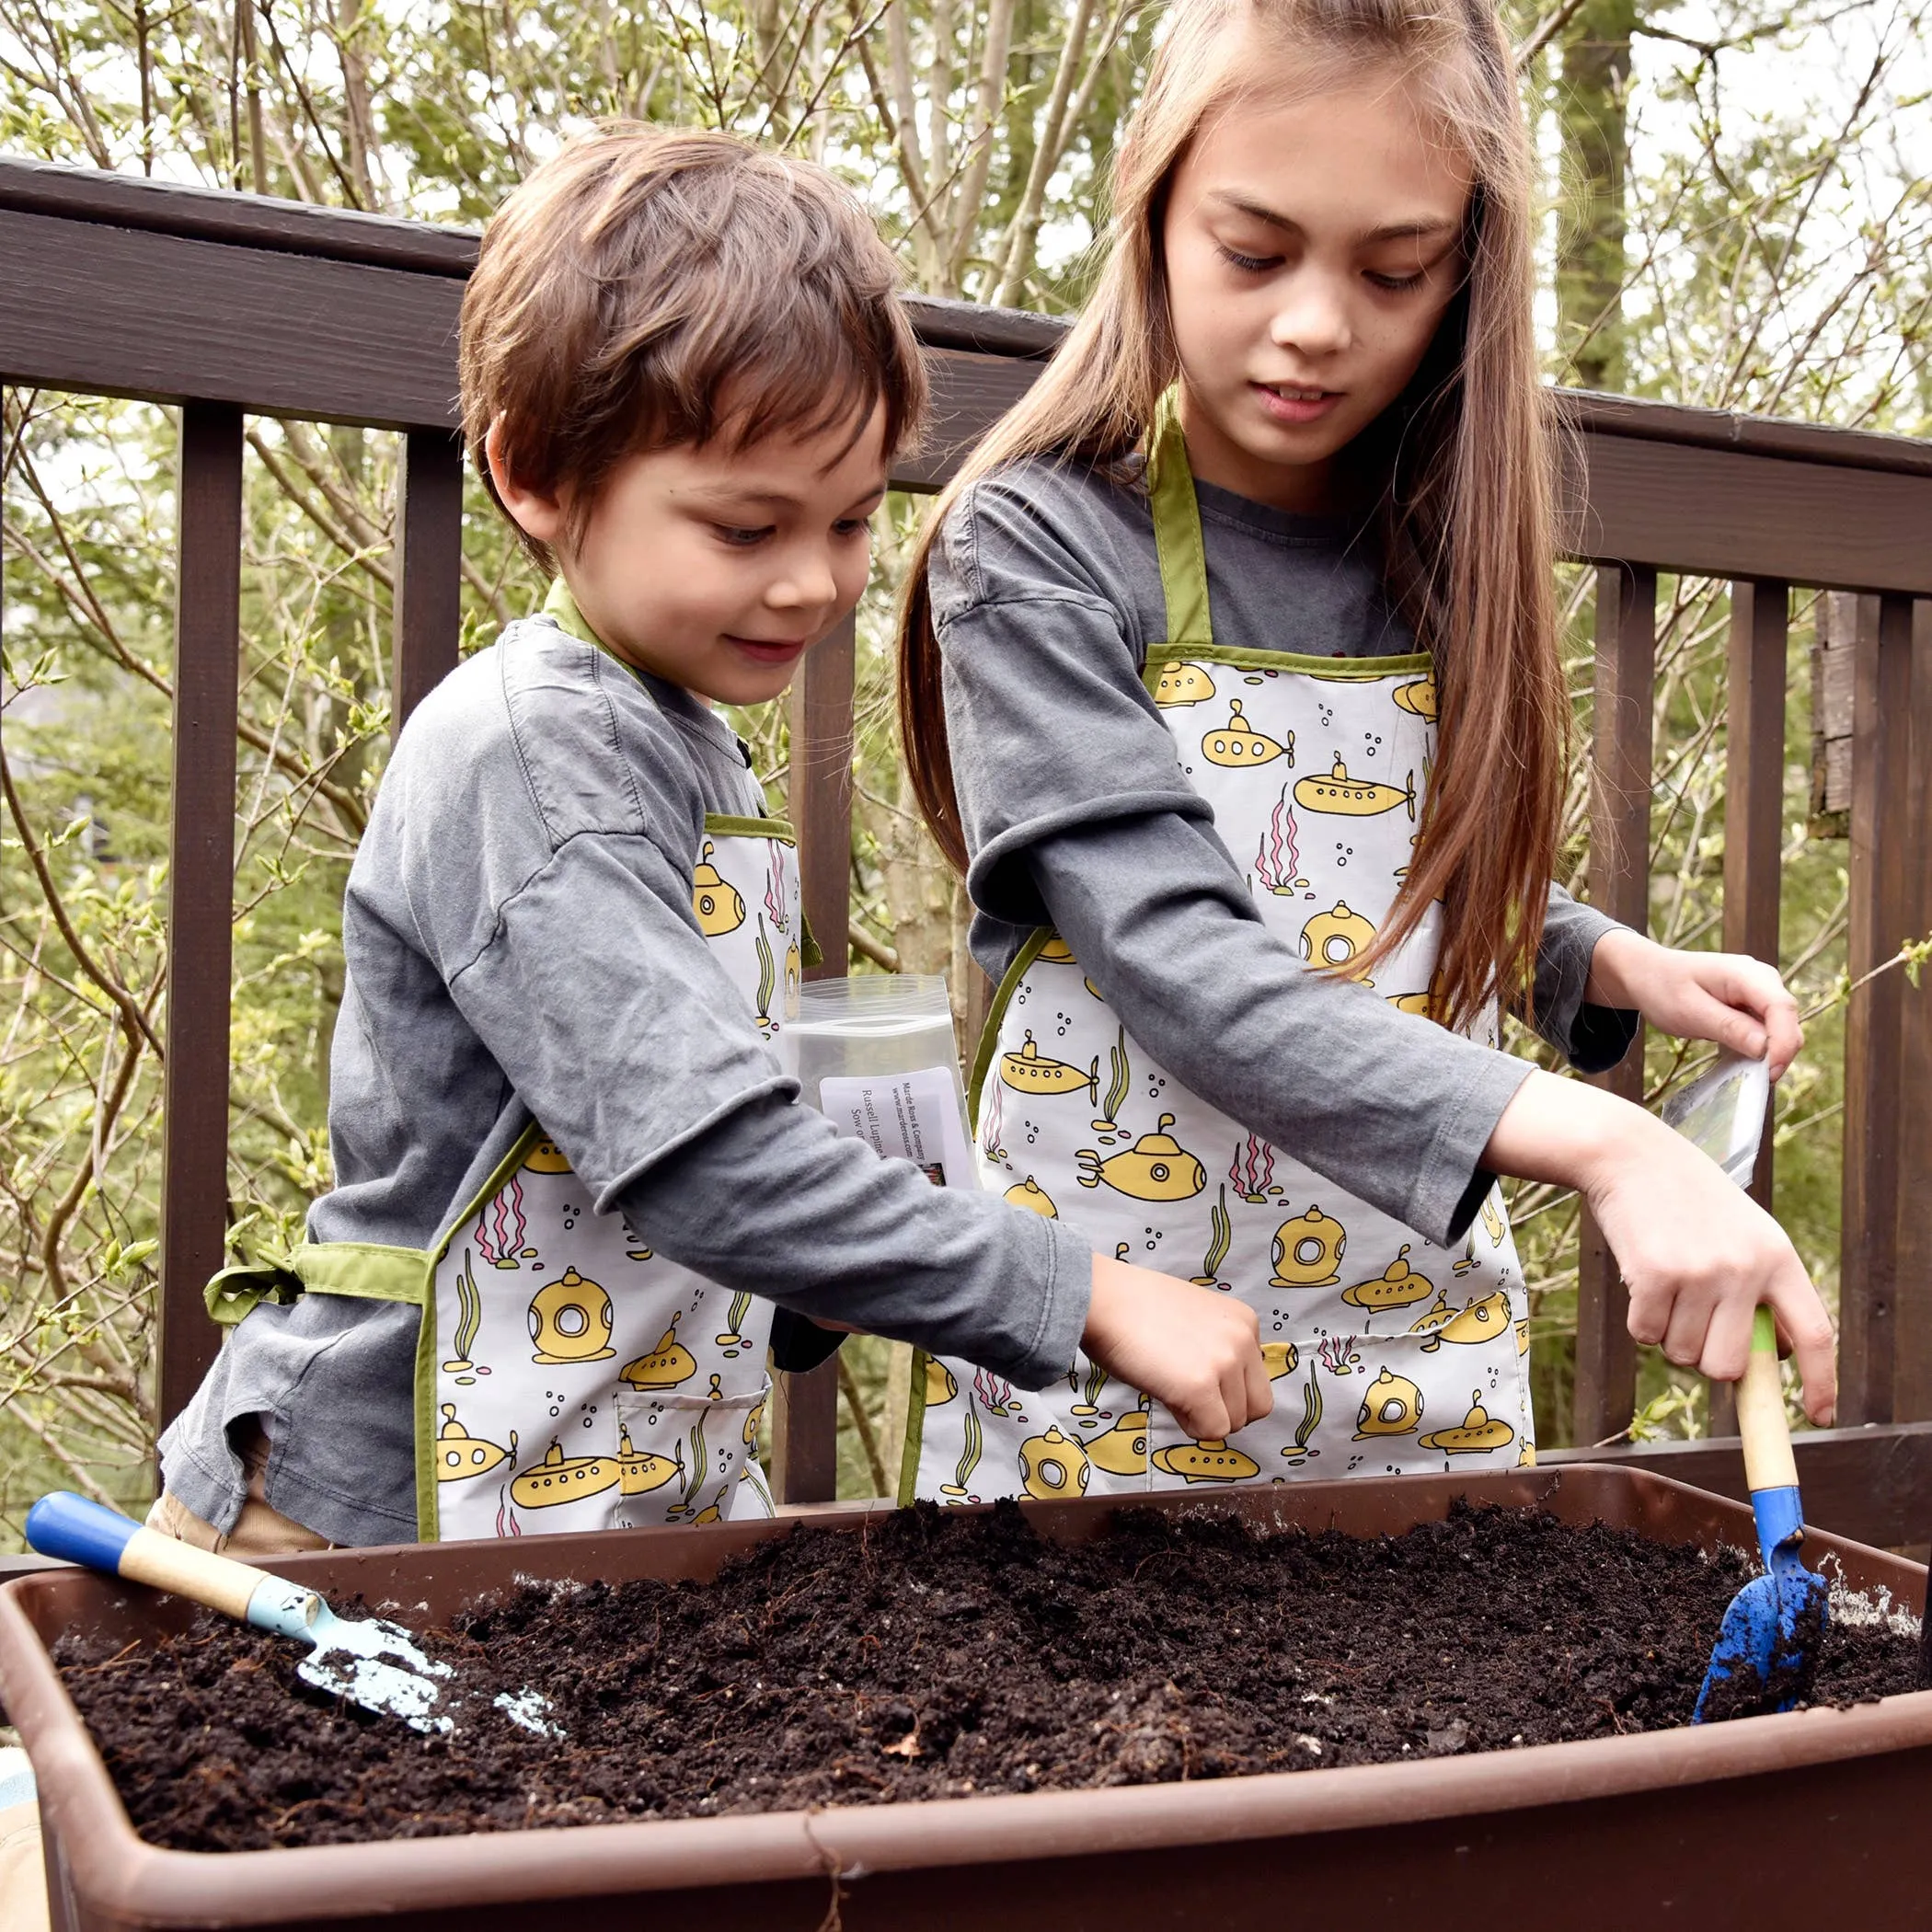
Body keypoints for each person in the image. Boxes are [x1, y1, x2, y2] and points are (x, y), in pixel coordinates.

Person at [151, 121, 1270, 1560]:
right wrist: (1080, 1292)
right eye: (745, 529)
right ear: (537, 476)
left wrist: (817, 1277)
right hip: (358, 1517)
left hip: (587, 1471)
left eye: (854, 520)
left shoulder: (673, 730)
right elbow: (699, 1161)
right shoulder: (534, 752)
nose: (813, 581)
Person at [893, 0, 1835, 1505]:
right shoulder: (1037, 547)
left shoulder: (1431, 549)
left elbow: (1369, 872)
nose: (1319, 323)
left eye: (1393, 270)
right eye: (1254, 251)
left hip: (1422, 1371)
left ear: (1465, 273)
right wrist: (1601, 1142)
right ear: (1151, 203)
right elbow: (1182, 950)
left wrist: (1591, 961)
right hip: (1121, 1390)